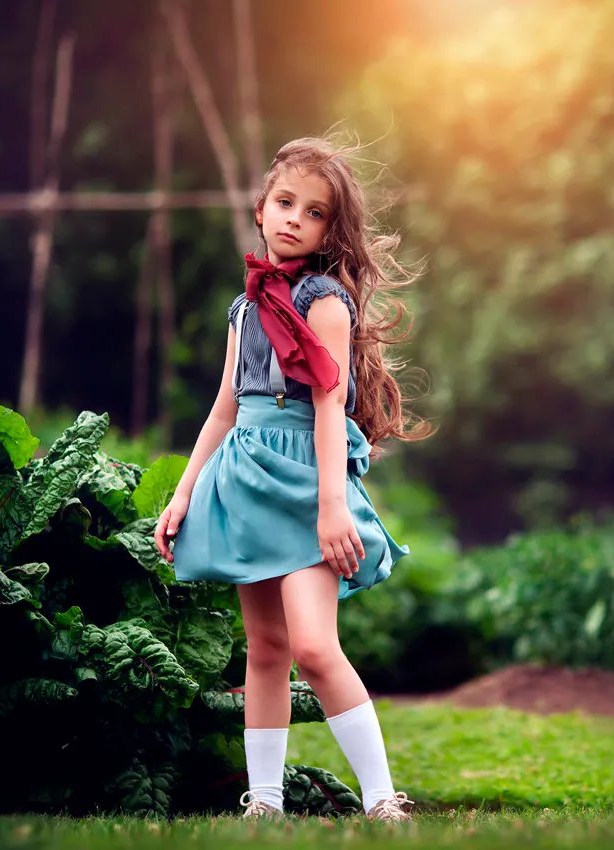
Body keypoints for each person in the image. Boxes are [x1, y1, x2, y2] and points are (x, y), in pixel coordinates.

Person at [153, 136, 429, 822]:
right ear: (260, 207)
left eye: (312, 213)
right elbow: (223, 407)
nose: (293, 219)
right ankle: (266, 805)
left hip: (307, 479)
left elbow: (330, 403)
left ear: (329, 230)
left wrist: (332, 507)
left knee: (312, 645)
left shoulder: (325, 302)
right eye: (284, 203)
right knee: (268, 648)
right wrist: (184, 492)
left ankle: (381, 801)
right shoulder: (244, 308)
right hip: (247, 476)